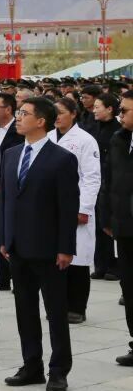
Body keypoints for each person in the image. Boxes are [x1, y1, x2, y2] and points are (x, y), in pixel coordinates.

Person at [0, 97, 79, 391]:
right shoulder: (11, 154)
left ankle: (58, 370)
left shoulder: (62, 158)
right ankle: (31, 365)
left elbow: (67, 207)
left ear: (42, 121)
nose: (18, 117)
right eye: (19, 113)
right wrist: (4, 238)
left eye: (24, 113)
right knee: (25, 310)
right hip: (17, 246)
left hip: (48, 248)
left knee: (56, 312)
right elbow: (6, 200)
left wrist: (65, 247)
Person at [49, 97, 100, 324]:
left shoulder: (85, 140)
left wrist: (84, 208)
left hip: (76, 205)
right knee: (54, 260)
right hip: (51, 207)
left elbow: (91, 177)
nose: (57, 117)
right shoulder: (47, 137)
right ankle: (57, 306)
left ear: (73, 114)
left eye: (61, 112)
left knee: (77, 260)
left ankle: (77, 308)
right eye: (54, 113)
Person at [101, 90, 133, 366]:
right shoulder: (118, 139)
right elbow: (108, 180)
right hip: (124, 226)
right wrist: (107, 217)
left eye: (125, 110)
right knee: (130, 287)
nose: (120, 115)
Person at [0, 92, 24, 290]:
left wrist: (1, 181)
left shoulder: (18, 132)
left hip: (8, 189)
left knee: (9, 231)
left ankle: (13, 275)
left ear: (9, 109)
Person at [94, 93, 122, 281]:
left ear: (110, 109)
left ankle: (114, 266)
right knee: (99, 225)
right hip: (97, 181)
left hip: (111, 181)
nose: (94, 110)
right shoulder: (94, 127)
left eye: (98, 107)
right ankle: (101, 264)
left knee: (111, 225)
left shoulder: (118, 130)